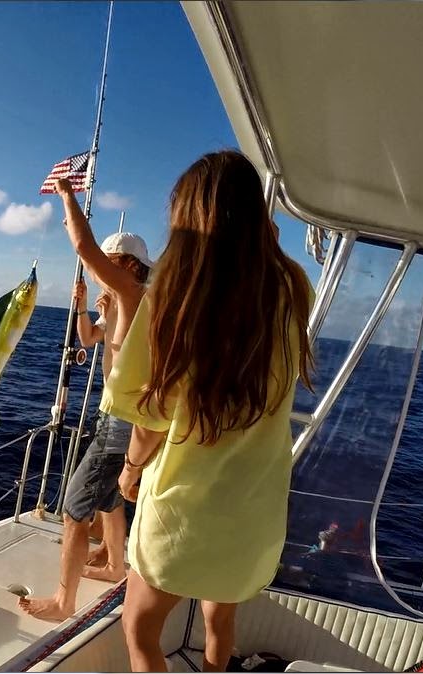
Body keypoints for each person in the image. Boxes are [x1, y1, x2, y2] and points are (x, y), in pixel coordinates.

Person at [103, 150, 314, 671]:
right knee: (221, 621)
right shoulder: (292, 288)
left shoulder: (172, 299)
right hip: (254, 515)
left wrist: (129, 474)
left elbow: (149, 418)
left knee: (140, 630)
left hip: (184, 515)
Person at [17, 177, 151, 622]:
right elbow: (89, 338)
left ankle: (63, 601)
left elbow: (82, 245)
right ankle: (115, 564)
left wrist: (67, 194)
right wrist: (80, 306)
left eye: (111, 263)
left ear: (131, 266)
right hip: (117, 414)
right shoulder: (121, 300)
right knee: (110, 498)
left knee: (76, 508)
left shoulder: (134, 294)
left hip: (122, 419)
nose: (102, 270)